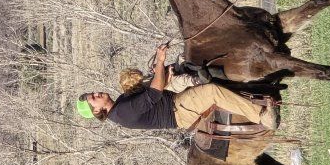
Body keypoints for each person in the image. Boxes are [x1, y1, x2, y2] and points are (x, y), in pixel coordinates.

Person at [76, 44, 277, 130]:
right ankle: (261, 116)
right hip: (178, 110)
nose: (97, 93)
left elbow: (154, 89)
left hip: (172, 97)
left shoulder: (120, 103)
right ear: (97, 110)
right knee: (211, 92)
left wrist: (164, 72)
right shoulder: (121, 112)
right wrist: (160, 61)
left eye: (93, 93)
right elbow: (154, 94)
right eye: (94, 98)